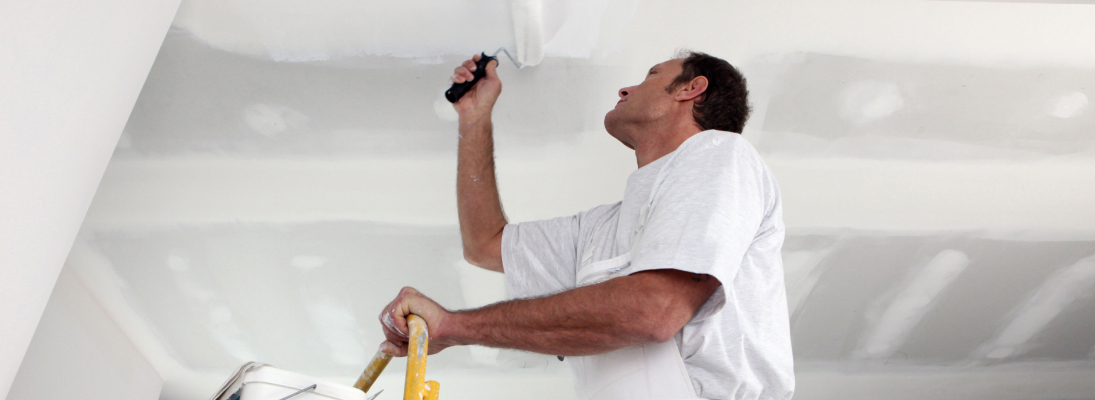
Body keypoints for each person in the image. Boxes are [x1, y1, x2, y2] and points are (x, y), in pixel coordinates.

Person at [378, 50, 794, 400]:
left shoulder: (721, 153)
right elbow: (486, 244)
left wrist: (456, 326)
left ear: (691, 89)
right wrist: (474, 118)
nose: (626, 89)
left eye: (651, 76)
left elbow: (655, 311)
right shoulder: (601, 230)